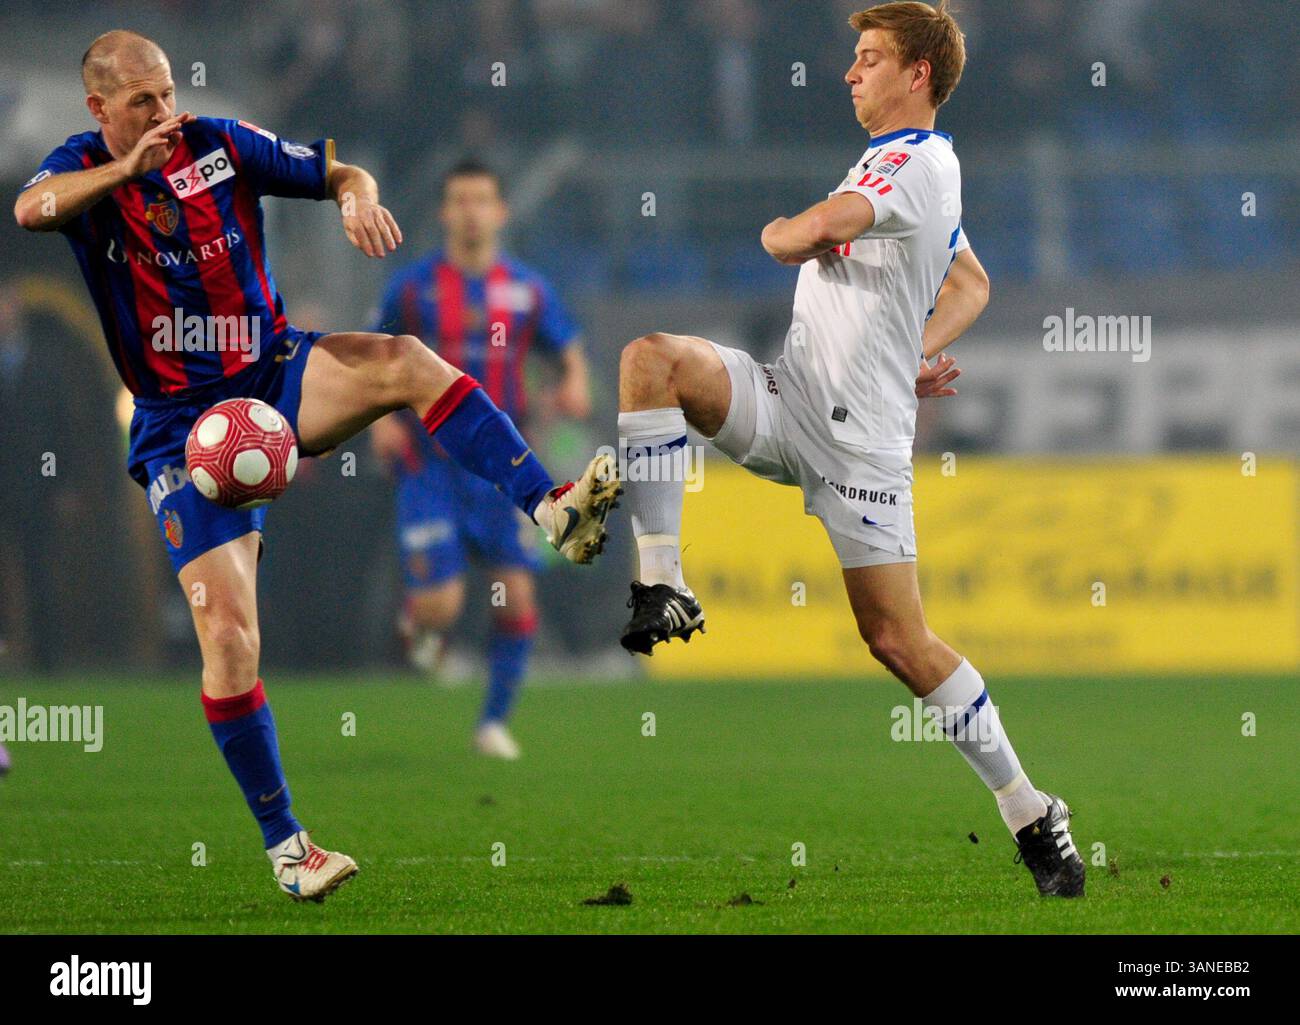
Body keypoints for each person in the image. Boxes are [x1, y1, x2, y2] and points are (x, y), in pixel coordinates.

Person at [14, 30, 620, 903]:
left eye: (168, 90)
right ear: (98, 109)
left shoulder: (220, 145)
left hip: (274, 379)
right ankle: (290, 846)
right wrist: (124, 172)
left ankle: (552, 505)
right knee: (229, 642)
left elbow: (337, 169)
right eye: (141, 101)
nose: (163, 111)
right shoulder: (78, 171)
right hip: (181, 430)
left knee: (409, 360)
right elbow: (32, 210)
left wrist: (355, 197)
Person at [613, 1, 1084, 897]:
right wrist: (905, 346)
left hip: (861, 446)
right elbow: (971, 281)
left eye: (868, 58)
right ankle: (661, 579)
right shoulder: (902, 165)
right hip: (791, 400)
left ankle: (1030, 808)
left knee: (898, 640)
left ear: (917, 76)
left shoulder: (917, 161)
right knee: (651, 362)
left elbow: (819, 230)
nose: (848, 72)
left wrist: (779, 233)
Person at [370, 160, 592, 760]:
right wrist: (384, 423)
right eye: (459, 200)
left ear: (501, 212)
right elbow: (372, 355)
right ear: (444, 212)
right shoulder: (414, 289)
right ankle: (419, 628)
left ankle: (492, 723)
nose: (470, 211)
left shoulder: (526, 289)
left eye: (481, 200)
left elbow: (567, 348)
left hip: (501, 468)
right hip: (429, 463)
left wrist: (574, 381)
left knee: (517, 598)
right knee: (443, 604)